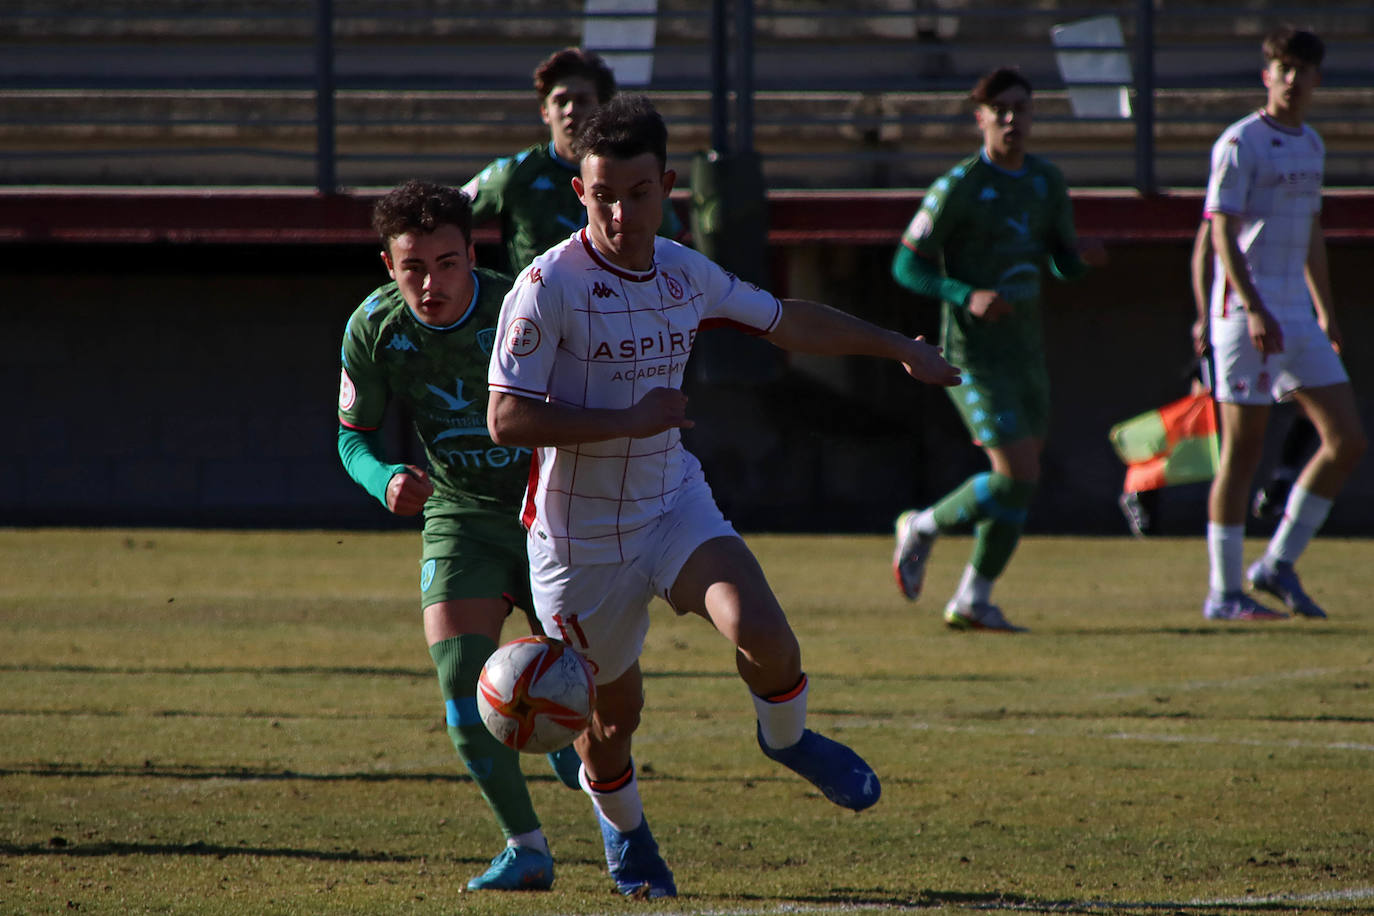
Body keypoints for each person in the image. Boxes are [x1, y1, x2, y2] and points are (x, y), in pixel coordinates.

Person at [486, 94, 960, 898]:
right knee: (611, 722)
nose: (621, 212)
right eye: (602, 195)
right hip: (577, 542)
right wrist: (627, 417)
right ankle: (629, 840)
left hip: (673, 501)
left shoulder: (683, 270)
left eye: (637, 194)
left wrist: (893, 346)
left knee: (765, 632)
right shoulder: (545, 289)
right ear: (580, 192)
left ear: (667, 185)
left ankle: (786, 739)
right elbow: (506, 418)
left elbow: (784, 320)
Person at [336, 180, 568, 892]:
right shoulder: (373, 329)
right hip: (460, 514)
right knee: (460, 683)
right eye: (413, 267)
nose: (430, 283)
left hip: (556, 512)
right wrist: (385, 481)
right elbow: (354, 440)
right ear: (388, 266)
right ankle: (526, 847)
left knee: (591, 687)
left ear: (473, 254)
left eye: (446, 263)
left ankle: (619, 822)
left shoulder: (520, 307)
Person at [889, 67, 1106, 630]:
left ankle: (973, 600)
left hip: (1026, 353)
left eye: (1023, 109)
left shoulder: (1046, 182)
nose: (1013, 119)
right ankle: (922, 526)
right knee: (1016, 470)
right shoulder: (958, 185)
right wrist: (964, 293)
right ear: (980, 116)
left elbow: (1058, 261)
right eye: (1002, 109)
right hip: (973, 357)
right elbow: (905, 263)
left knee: (1022, 481)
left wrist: (1080, 258)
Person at [1196, 25, 1365, 620]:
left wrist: (1326, 310)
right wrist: (1255, 307)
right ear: (1267, 74)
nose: (1292, 80)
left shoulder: (1312, 144)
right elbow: (1220, 231)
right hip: (1247, 317)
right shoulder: (1240, 142)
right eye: (1283, 68)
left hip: (1298, 314)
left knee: (1346, 439)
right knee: (1242, 456)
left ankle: (1276, 563)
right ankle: (1223, 593)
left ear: (1318, 78)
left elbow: (1311, 232)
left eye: (1303, 70)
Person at [461, 46, 683, 275]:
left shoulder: (635, 175)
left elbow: (669, 249)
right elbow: (447, 217)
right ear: (545, 112)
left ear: (604, 108)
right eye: (560, 100)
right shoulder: (514, 174)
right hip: (540, 304)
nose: (570, 110)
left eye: (582, 100)